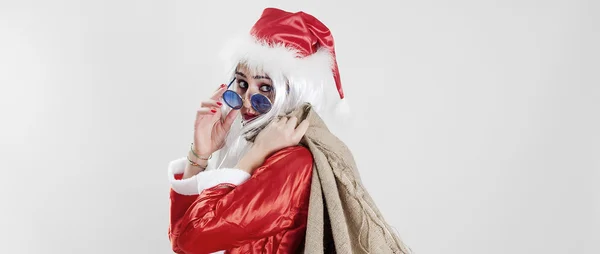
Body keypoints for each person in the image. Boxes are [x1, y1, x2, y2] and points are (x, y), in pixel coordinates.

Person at [167, 7, 411, 254]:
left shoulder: (293, 162)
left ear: (292, 93)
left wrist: (253, 158)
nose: (248, 102)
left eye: (265, 89)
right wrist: (199, 154)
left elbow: (191, 240)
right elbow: (179, 237)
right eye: (242, 84)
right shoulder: (270, 152)